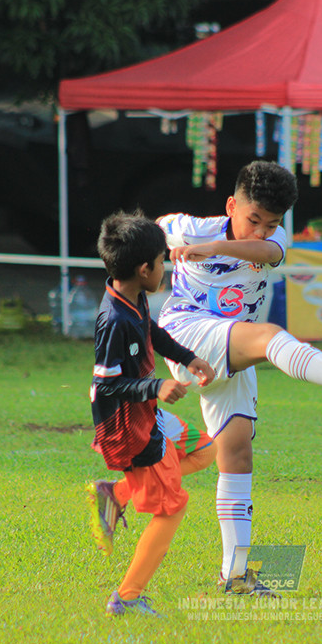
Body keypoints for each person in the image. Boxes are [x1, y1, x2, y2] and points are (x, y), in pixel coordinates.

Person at [156, 160, 322, 596]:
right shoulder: (189, 227)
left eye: (272, 223)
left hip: (232, 344)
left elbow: (266, 254)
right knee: (269, 337)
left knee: (237, 453)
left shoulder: (270, 240)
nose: (263, 231)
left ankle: (236, 574)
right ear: (231, 206)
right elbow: (147, 233)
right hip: (187, 333)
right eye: (254, 220)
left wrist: (214, 250)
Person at [85, 210, 216, 617]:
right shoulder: (113, 319)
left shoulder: (134, 296)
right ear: (144, 268)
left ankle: (115, 494)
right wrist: (155, 386)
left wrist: (188, 357)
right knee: (172, 508)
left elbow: (153, 332)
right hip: (130, 430)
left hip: (149, 416)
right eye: (163, 262)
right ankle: (125, 598)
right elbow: (106, 384)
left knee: (206, 450)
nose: (166, 269)